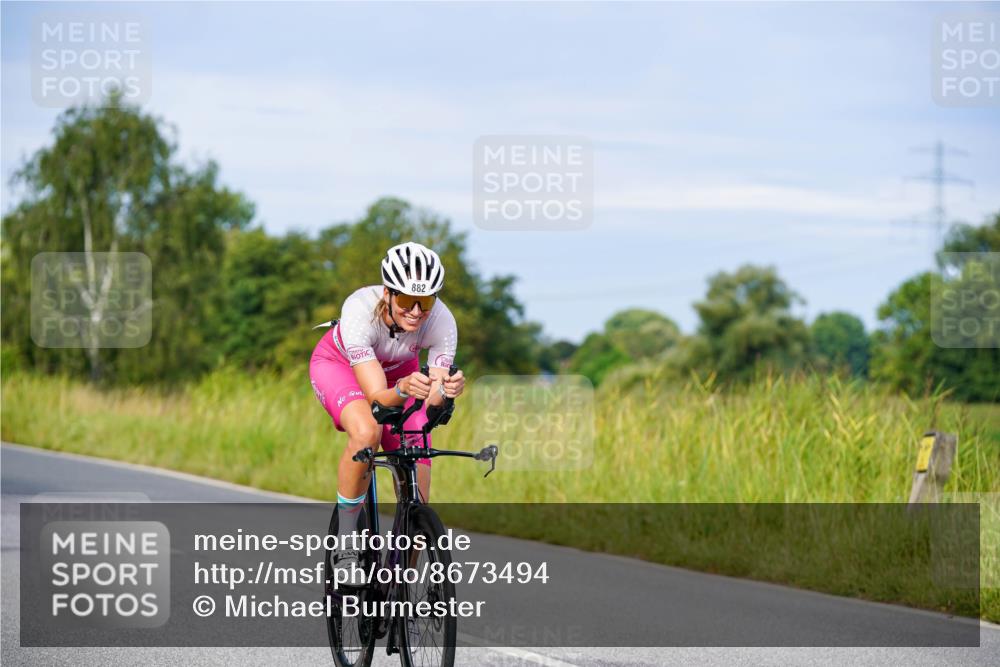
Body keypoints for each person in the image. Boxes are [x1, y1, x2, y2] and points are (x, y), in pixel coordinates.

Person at [309, 241, 465, 581]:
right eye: (407, 300)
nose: (416, 311)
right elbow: (378, 399)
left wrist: (447, 393)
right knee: (368, 431)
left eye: (425, 301)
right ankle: (347, 542)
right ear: (388, 293)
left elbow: (434, 403)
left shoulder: (442, 321)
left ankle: (400, 583)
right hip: (342, 368)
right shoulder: (359, 310)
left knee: (418, 449)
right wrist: (403, 389)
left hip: (399, 373)